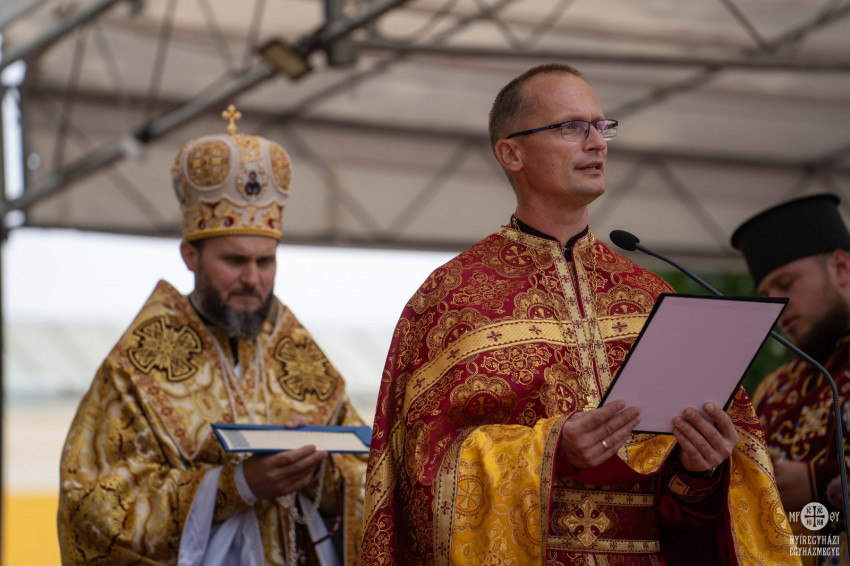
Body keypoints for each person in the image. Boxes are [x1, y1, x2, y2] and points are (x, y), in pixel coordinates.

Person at [360, 63, 799, 565]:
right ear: (511, 153)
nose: (596, 143)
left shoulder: (649, 294)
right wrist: (551, 450)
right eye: (571, 127)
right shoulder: (451, 297)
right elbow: (417, 468)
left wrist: (702, 470)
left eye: (601, 126)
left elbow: (698, 505)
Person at [57, 107, 367, 566]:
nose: (253, 279)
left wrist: (319, 476)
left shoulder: (300, 359)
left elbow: (372, 478)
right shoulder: (133, 371)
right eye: (235, 261)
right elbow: (93, 510)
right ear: (190, 256)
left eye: (265, 262)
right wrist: (236, 485)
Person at [732, 193, 850, 560]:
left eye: (785, 284)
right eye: (767, 295)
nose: (777, 306)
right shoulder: (775, 387)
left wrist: (819, 484)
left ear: (841, 269)